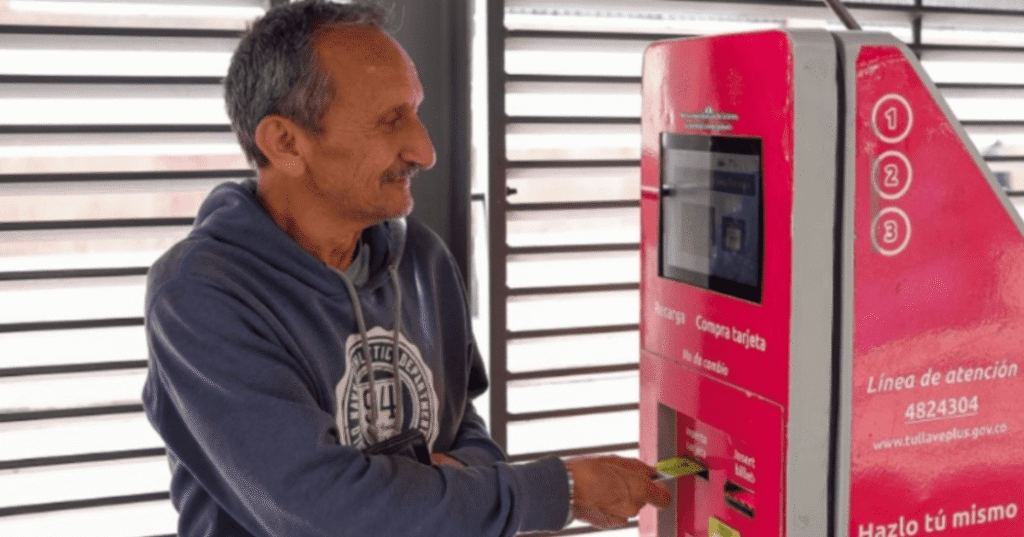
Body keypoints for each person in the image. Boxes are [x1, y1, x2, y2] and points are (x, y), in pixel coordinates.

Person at [141, 1, 671, 535]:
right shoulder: (199, 296)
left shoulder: (422, 258)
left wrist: (441, 484)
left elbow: (461, 424)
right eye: (390, 120)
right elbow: (326, 515)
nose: (424, 150)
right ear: (286, 143)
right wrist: (560, 490)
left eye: (416, 112)